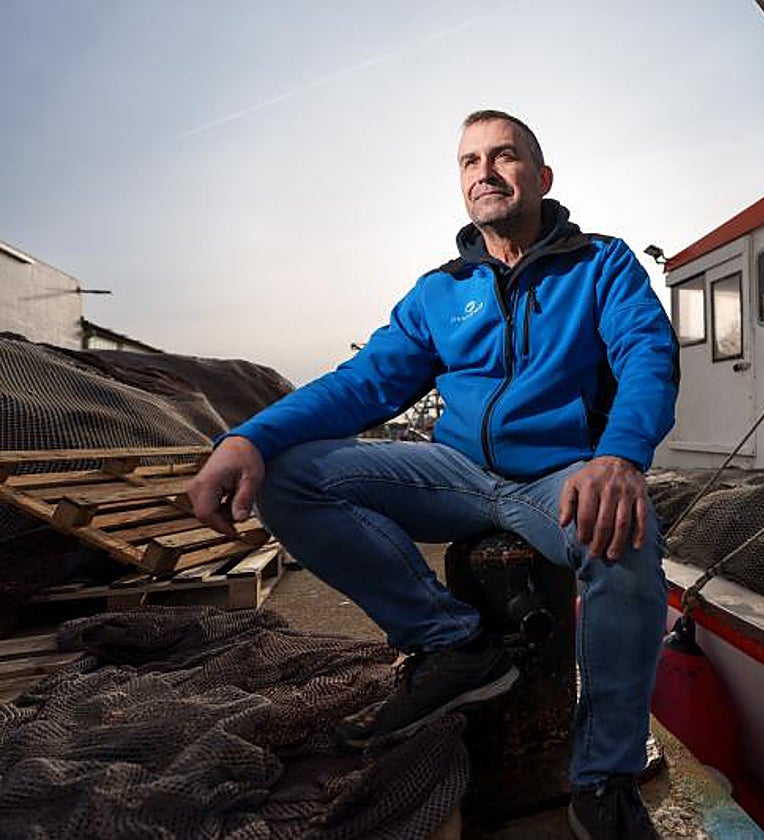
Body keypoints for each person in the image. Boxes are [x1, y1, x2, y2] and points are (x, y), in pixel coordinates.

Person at [188, 109, 677, 839]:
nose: (484, 171)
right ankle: (453, 644)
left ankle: (602, 781)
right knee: (290, 477)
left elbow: (647, 354)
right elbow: (362, 384)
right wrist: (250, 437)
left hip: (557, 478)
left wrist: (619, 456)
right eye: (469, 160)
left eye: (503, 156)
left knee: (627, 541)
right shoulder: (439, 291)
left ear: (540, 178)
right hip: (454, 473)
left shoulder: (601, 265)